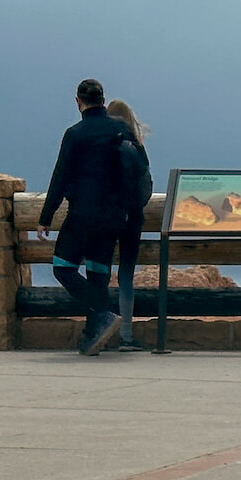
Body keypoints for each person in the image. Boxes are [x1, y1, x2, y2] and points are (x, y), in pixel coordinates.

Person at [37, 79, 135, 356]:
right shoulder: (122, 129)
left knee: (63, 268)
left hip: (83, 215)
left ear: (78, 101)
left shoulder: (75, 134)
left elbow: (60, 178)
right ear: (103, 100)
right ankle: (93, 337)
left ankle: (103, 315)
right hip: (116, 216)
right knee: (97, 274)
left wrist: (46, 217)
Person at [105, 99, 153, 351]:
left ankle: (98, 328)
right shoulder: (136, 145)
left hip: (104, 217)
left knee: (99, 273)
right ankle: (126, 335)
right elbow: (146, 186)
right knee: (126, 277)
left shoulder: (102, 143)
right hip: (132, 218)